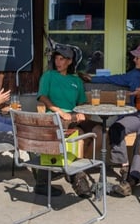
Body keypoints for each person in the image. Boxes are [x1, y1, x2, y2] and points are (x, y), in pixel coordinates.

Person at [79, 42, 140, 197]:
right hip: (135, 114)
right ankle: (125, 167)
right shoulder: (135, 74)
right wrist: (91, 79)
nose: (134, 60)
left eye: (137, 57)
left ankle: (132, 180)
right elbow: (114, 79)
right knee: (116, 129)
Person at [37, 43, 102, 198]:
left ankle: (78, 167)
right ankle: (78, 177)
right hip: (55, 117)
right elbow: (43, 96)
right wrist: (58, 110)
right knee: (78, 134)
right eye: (57, 59)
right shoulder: (49, 75)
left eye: (62, 59)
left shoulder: (76, 80)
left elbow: (81, 102)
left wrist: (81, 112)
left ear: (70, 61)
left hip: (73, 116)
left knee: (100, 131)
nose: (59, 62)